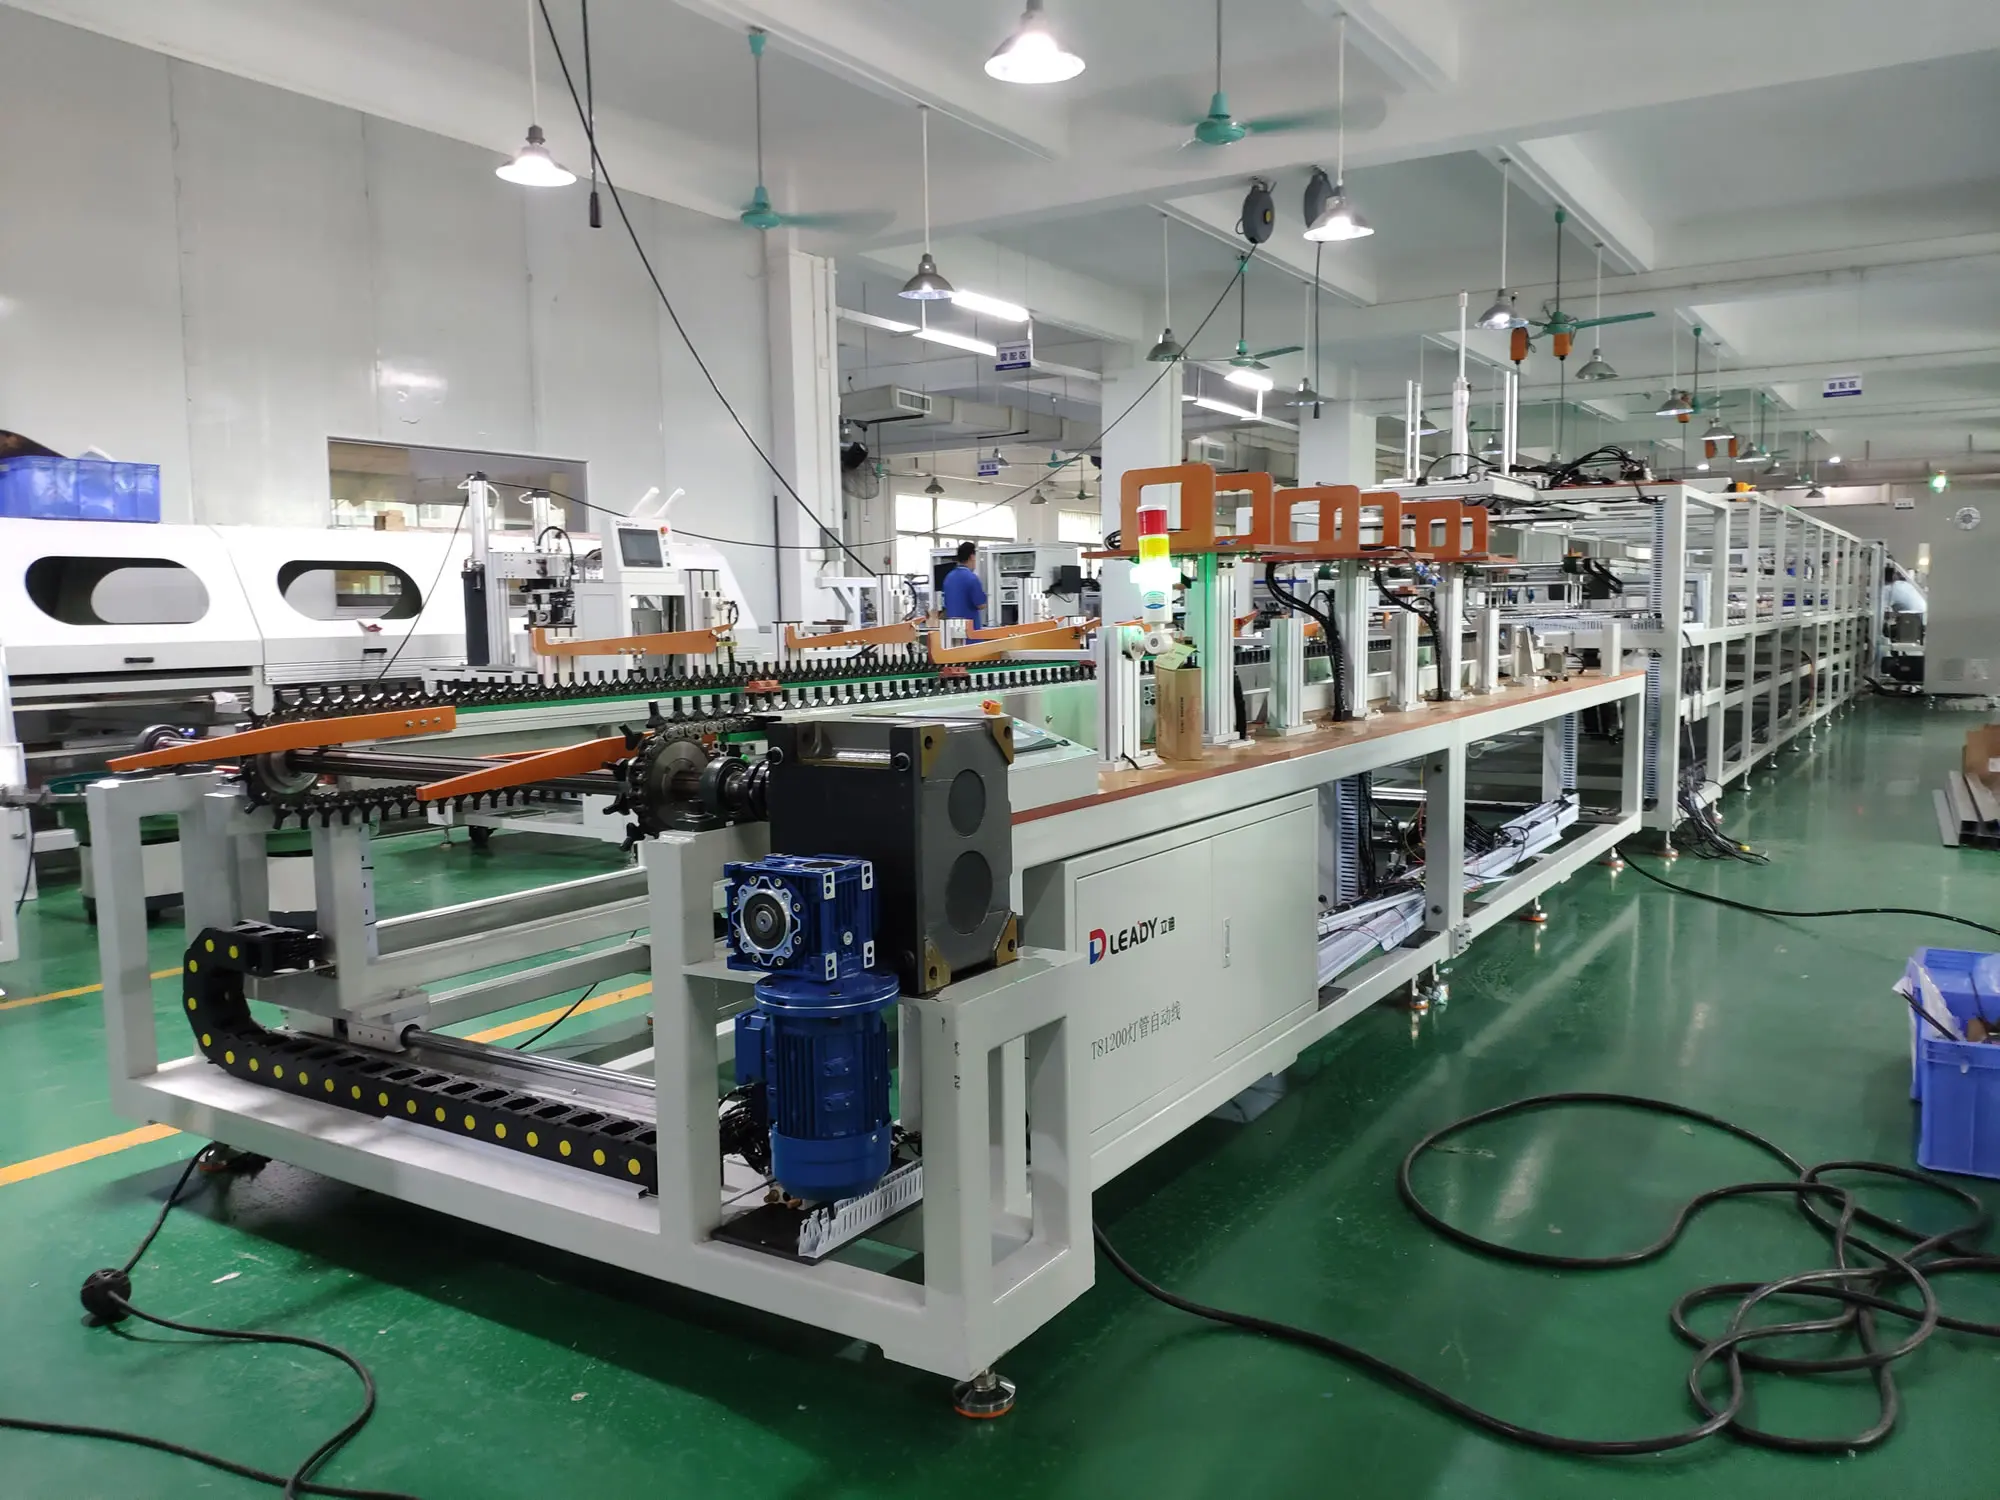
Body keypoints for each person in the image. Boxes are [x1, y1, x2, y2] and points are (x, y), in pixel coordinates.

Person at [940, 540, 987, 630]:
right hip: (970, 630)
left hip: (952, 629)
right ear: (972, 556)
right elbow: (981, 604)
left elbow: (944, 605)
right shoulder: (972, 578)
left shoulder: (948, 577)